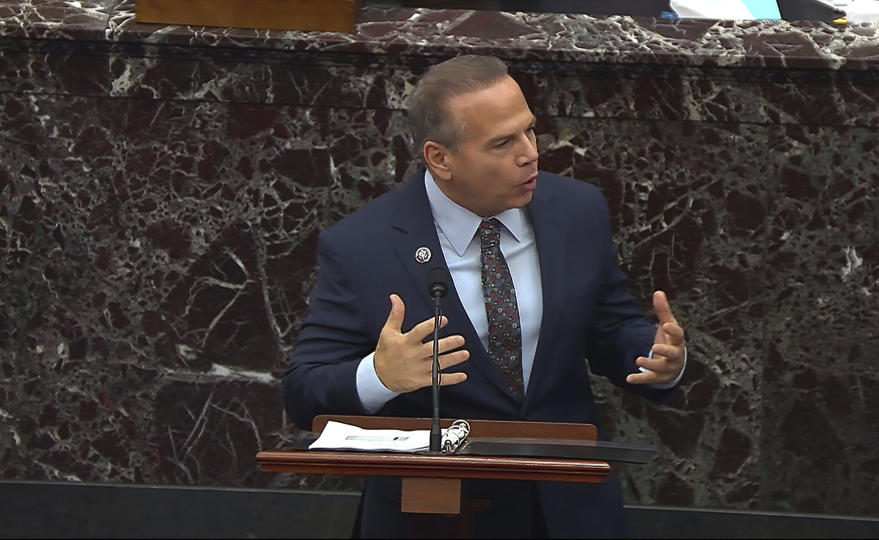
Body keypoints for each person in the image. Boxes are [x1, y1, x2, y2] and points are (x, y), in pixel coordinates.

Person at [283, 55, 687, 538]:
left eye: (530, 131)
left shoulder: (577, 211)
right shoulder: (362, 246)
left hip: (567, 509)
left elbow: (610, 327)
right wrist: (381, 376)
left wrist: (656, 357)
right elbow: (303, 393)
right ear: (440, 158)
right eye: (502, 143)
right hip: (436, 516)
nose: (530, 153)